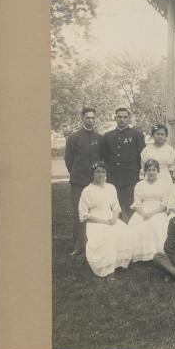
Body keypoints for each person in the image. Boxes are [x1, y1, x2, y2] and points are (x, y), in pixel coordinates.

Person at [78, 161, 133, 278]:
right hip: (95, 220)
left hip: (110, 217)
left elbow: (116, 207)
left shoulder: (110, 187)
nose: (100, 174)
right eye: (97, 172)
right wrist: (104, 222)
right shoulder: (87, 190)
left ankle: (119, 263)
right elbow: (84, 214)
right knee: (105, 236)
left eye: (103, 172)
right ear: (92, 174)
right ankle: (108, 269)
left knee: (125, 231)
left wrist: (114, 219)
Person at [64, 106, 102, 257]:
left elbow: (103, 158)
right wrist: (76, 173)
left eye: (93, 118)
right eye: (87, 118)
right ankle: (79, 244)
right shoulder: (73, 138)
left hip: (95, 181)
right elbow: (69, 160)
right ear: (82, 118)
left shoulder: (100, 138)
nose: (90, 120)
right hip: (78, 181)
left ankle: (95, 243)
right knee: (79, 212)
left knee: (96, 210)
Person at [100, 106, 146, 221]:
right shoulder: (108, 136)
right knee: (115, 208)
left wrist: (137, 173)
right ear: (115, 118)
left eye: (125, 117)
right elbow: (104, 157)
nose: (122, 119)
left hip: (130, 178)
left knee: (131, 209)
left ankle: (132, 234)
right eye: (119, 117)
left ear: (129, 118)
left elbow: (141, 157)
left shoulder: (137, 135)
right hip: (113, 178)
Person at [128, 159, 170, 263]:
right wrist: (143, 213)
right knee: (136, 225)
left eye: (154, 170)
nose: (151, 172)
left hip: (158, 210)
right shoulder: (139, 185)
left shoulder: (164, 184)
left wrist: (152, 213)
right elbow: (137, 203)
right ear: (145, 171)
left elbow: (164, 204)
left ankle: (157, 254)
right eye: (149, 170)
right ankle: (140, 254)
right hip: (143, 209)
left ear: (158, 171)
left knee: (156, 225)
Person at [140, 123, 175, 187]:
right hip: (149, 178)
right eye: (157, 134)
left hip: (165, 178)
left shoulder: (170, 150)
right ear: (153, 135)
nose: (160, 136)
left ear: (166, 136)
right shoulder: (146, 150)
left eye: (162, 134)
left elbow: (171, 168)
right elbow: (143, 168)